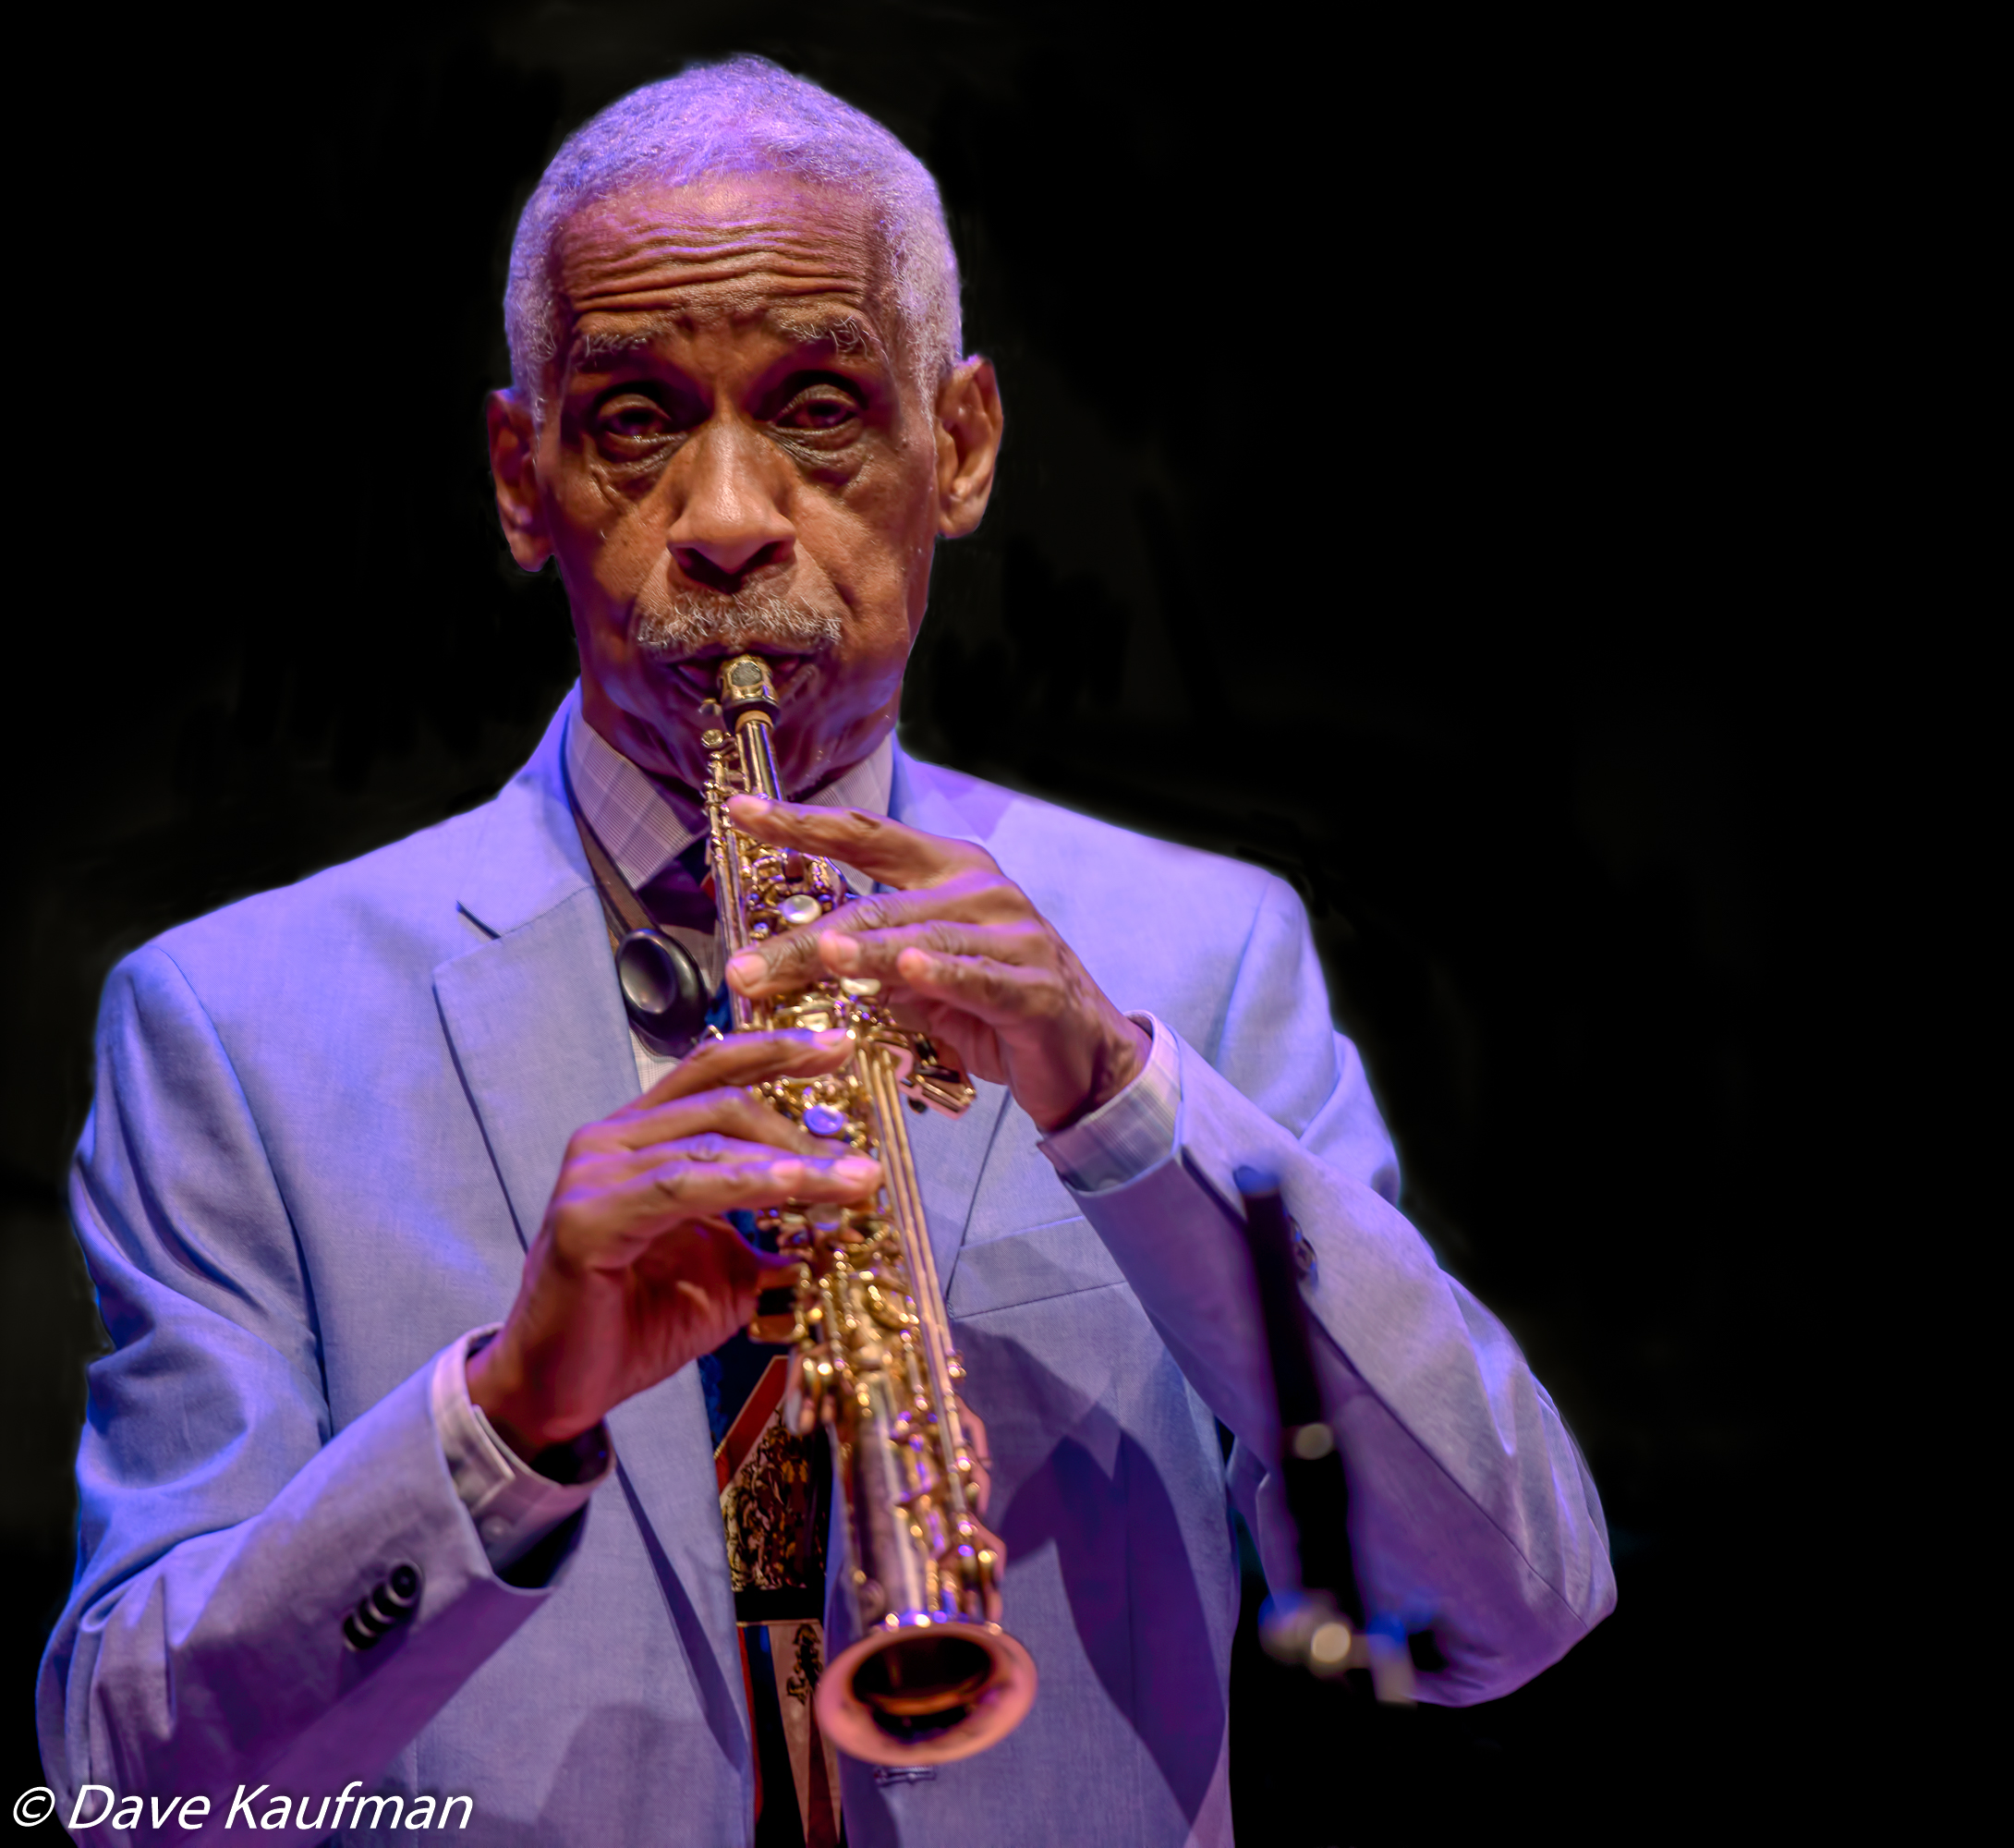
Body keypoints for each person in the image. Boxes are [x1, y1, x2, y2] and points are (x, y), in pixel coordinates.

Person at [38, 57, 1614, 1848]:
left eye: (814, 406)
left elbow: (1504, 1610)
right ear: (515, 472)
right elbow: (108, 1783)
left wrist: (1124, 1098)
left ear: (959, 446)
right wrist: (499, 1425)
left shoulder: (1205, 954)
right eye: (634, 417)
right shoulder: (230, 1030)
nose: (723, 518)